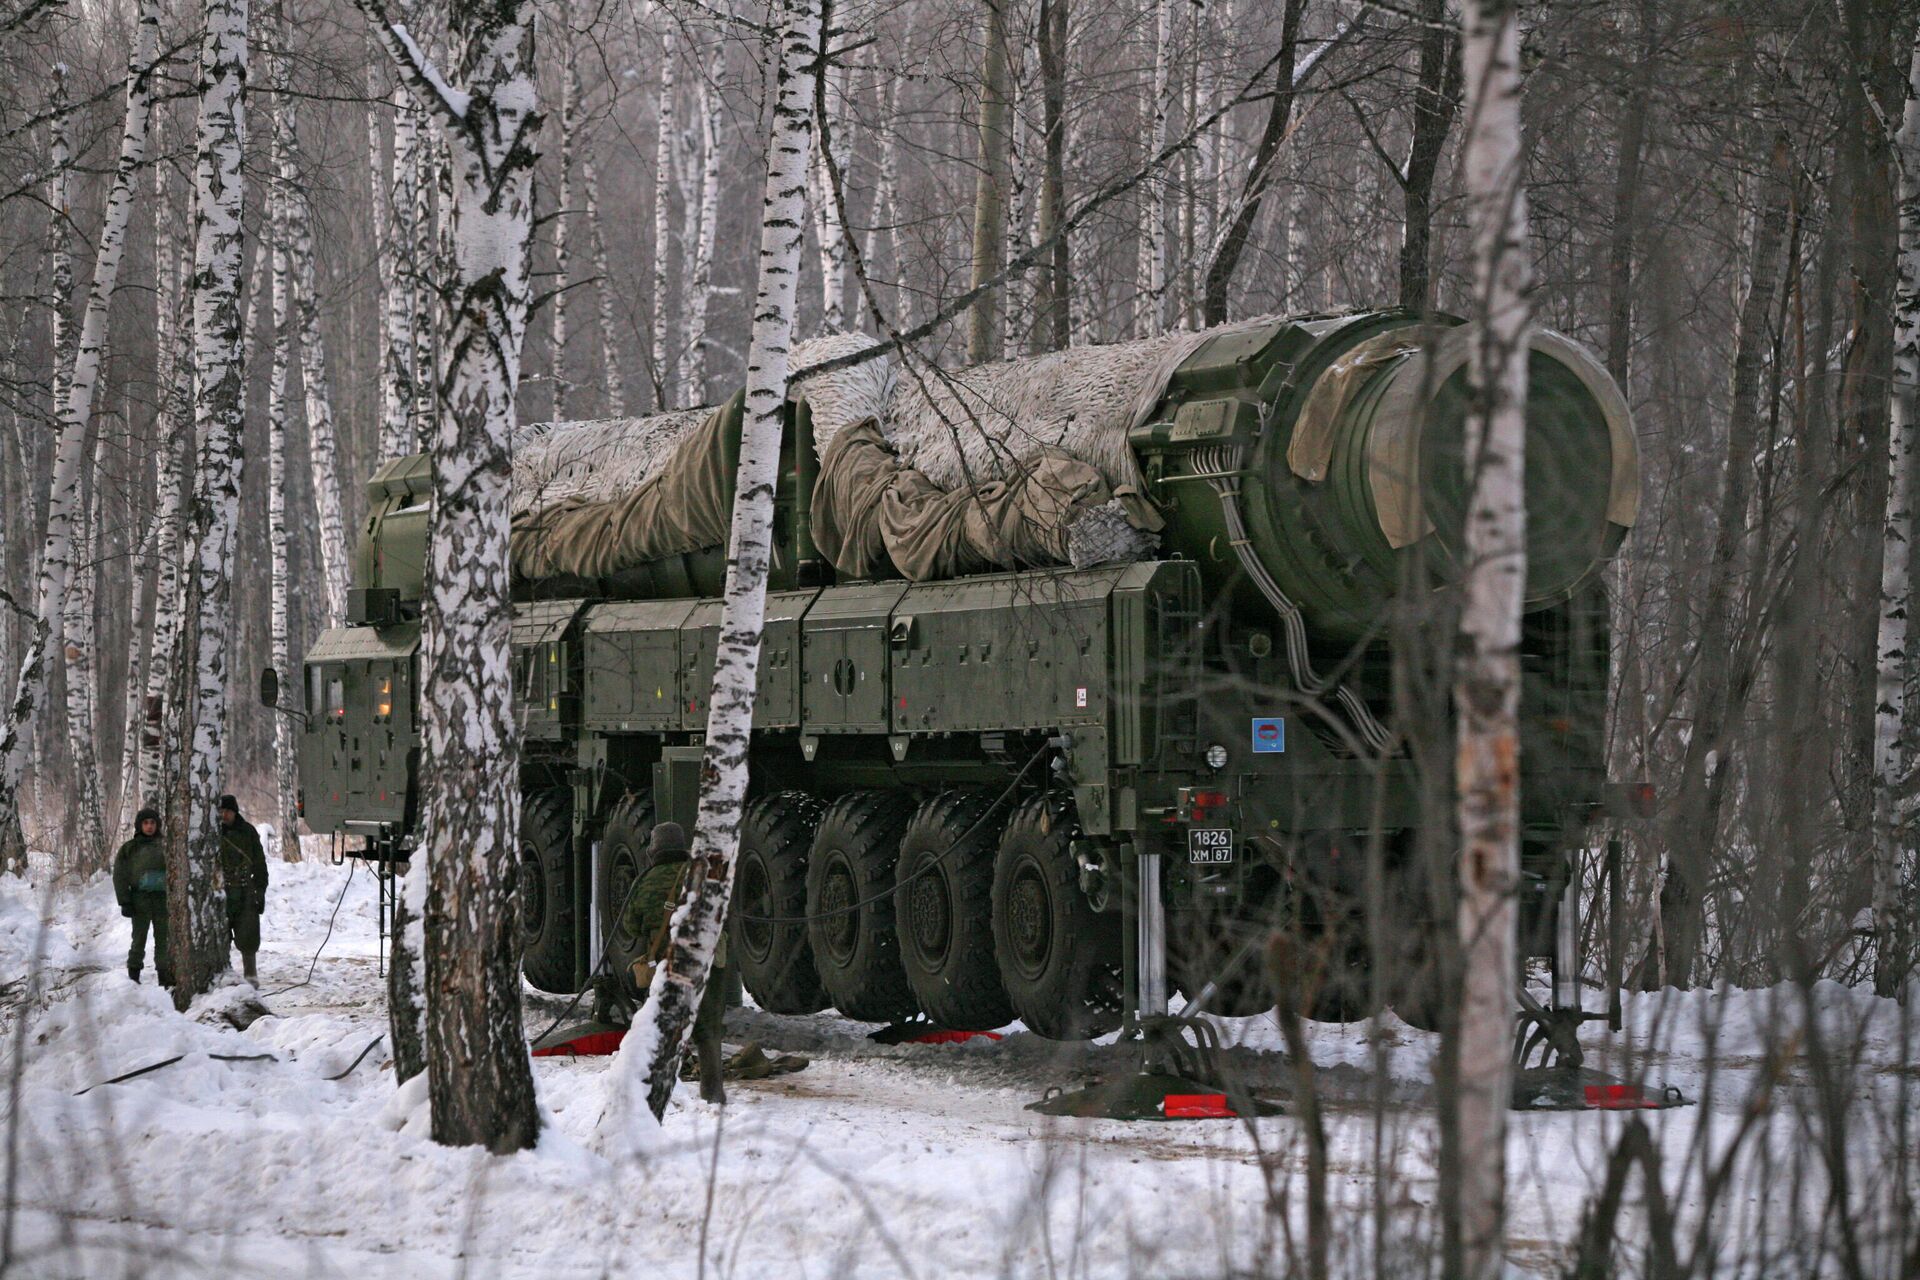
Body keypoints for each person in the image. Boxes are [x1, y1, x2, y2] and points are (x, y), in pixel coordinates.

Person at [620, 822, 729, 1103]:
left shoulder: (645, 882)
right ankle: (713, 1091)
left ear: (654, 850)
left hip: (667, 966)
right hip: (706, 961)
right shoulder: (703, 875)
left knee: (664, 1028)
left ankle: (664, 1089)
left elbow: (631, 926)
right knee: (709, 1030)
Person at [112, 808, 172, 986]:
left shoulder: (167, 846)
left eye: (153, 823)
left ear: (157, 825)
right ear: (139, 825)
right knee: (139, 938)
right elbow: (120, 876)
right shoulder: (129, 848)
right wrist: (125, 902)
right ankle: (134, 976)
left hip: (163, 899)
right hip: (140, 900)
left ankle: (164, 975)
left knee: (164, 938)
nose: (149, 826)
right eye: (145, 823)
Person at [217, 794, 268, 981]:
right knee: (220, 935)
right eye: (221, 811)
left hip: (245, 890)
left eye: (227, 811)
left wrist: (260, 890)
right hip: (221, 890)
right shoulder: (212, 833)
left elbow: (260, 863)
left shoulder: (248, 832)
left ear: (234, 812)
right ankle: (223, 974)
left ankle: (250, 975)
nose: (224, 815)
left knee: (248, 935)